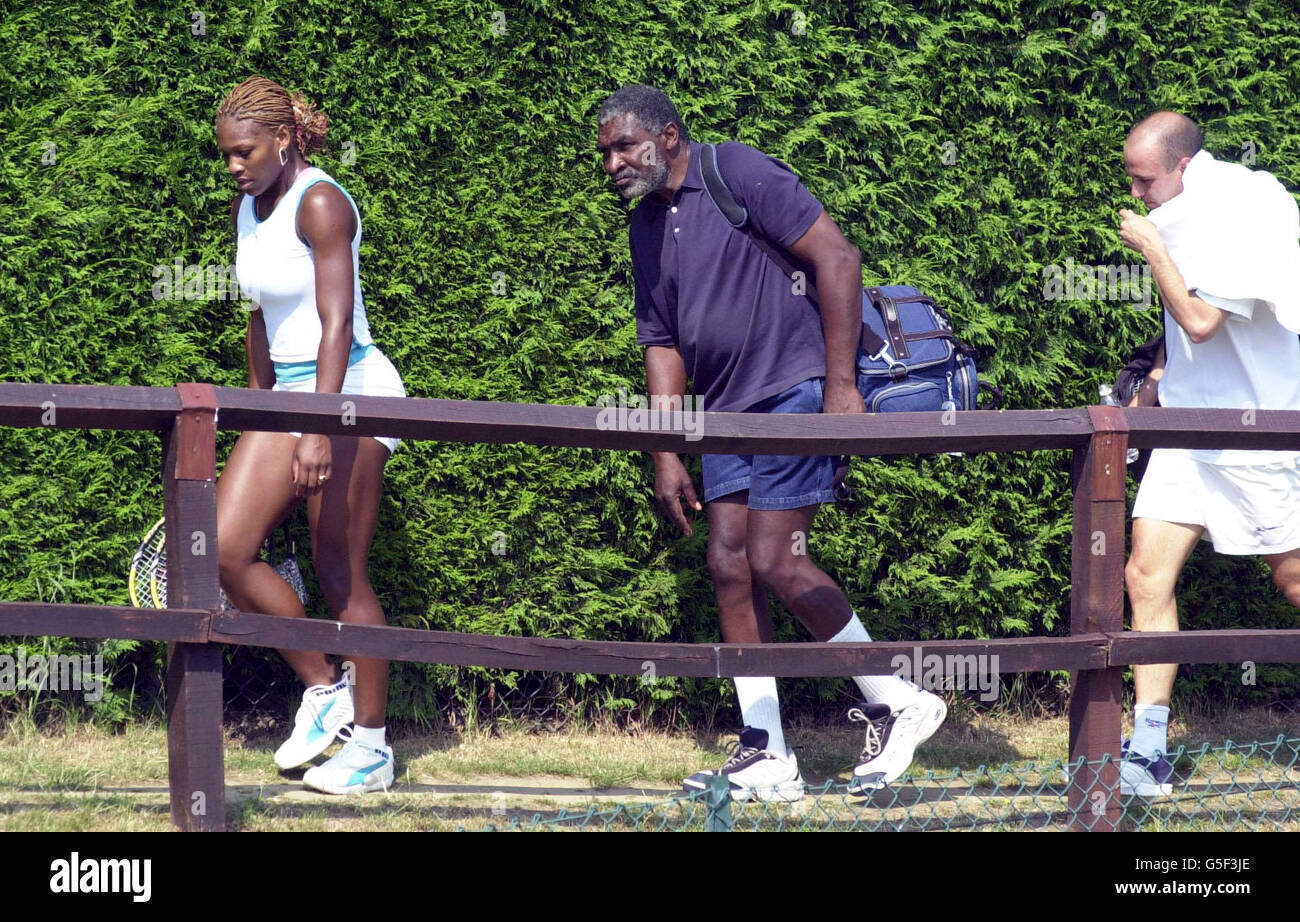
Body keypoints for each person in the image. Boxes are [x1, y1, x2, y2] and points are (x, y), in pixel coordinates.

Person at [596, 85, 946, 802]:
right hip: (725, 412)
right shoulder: (645, 225)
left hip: (793, 390)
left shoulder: (736, 170)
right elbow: (661, 342)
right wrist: (665, 451)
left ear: (668, 137)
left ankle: (899, 698)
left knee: (774, 557)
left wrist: (840, 387)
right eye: (604, 152)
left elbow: (838, 258)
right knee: (728, 564)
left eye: (624, 146)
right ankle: (767, 753)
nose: (613, 163)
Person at [214, 76, 405, 794]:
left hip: (350, 388)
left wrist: (319, 426)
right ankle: (327, 689)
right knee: (224, 549)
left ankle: (375, 751)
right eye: (226, 155)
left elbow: (336, 321)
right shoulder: (247, 206)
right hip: (289, 391)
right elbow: (259, 315)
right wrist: (259, 406)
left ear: (284, 139)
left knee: (339, 569)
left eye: (244, 151)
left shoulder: (321, 202)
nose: (234, 166)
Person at [1120, 111, 1300, 797]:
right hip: (1188, 433)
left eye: (1144, 181)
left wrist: (1150, 248)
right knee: (1145, 576)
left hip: (1260, 432)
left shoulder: (1244, 212)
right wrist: (1158, 380)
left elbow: (1200, 318)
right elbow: (1185, 333)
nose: (1136, 195)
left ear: (1185, 167)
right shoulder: (1184, 213)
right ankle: (1148, 749)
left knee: (1294, 584)